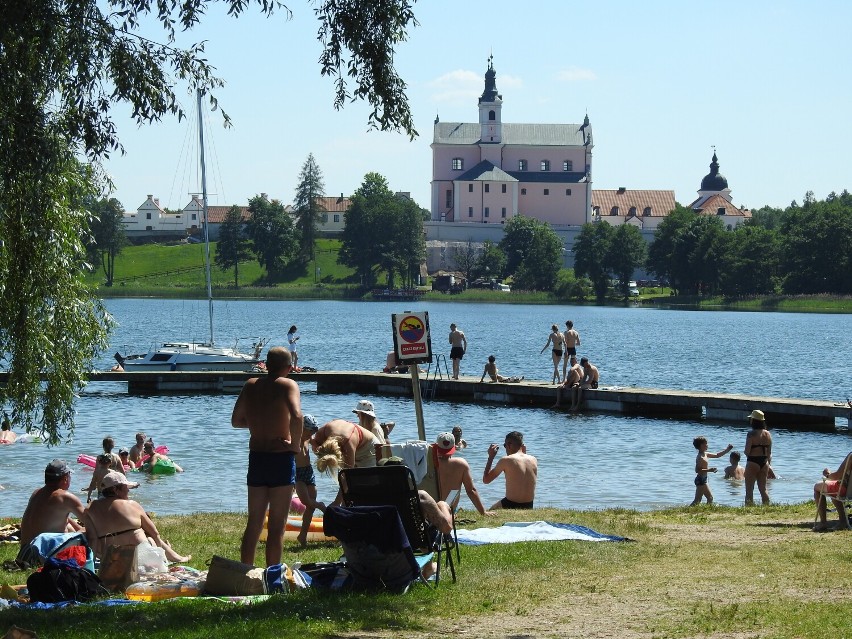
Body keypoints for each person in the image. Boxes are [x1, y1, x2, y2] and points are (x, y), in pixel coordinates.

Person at [231, 345, 303, 567]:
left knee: (254, 521)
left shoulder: (251, 385)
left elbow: (236, 421)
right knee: (277, 525)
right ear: (289, 367)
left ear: (265, 365)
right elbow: (297, 416)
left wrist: (259, 425)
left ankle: (246, 572)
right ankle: (272, 576)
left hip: (257, 457)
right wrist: (294, 446)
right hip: (280, 458)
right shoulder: (287, 384)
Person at [83, 471, 190, 562]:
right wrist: (161, 557)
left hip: (110, 559)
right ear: (116, 490)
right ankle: (176, 557)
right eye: (126, 487)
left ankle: (174, 556)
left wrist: (91, 564)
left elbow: (93, 539)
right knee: (149, 537)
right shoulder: (132, 505)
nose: (128, 490)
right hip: (140, 557)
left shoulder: (89, 509)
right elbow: (155, 533)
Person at [20, 460, 86, 546]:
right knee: (94, 532)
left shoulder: (36, 493)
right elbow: (93, 523)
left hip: (25, 554)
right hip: (44, 557)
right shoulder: (65, 497)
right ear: (65, 478)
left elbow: (65, 520)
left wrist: (79, 529)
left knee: (69, 526)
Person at [434, 432, 495, 516]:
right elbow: (471, 491)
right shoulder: (461, 464)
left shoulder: (428, 463)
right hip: (448, 509)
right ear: (454, 447)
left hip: (431, 508)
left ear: (436, 447)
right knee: (453, 492)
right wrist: (483, 512)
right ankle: (450, 514)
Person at [482, 431, 537, 509]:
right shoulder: (533, 459)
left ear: (509, 445)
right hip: (529, 505)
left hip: (511, 504)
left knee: (489, 511)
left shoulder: (506, 460)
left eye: (505, 445)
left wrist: (491, 457)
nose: (505, 448)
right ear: (522, 445)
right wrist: (524, 452)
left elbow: (486, 480)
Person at [294, 414, 326, 546]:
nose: (311, 433)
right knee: (306, 501)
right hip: (298, 474)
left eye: (313, 431)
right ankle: (322, 506)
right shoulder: (294, 439)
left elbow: (317, 447)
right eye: (310, 431)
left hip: (309, 472)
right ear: (301, 428)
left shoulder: (309, 438)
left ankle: (303, 535)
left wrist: (321, 450)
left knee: (310, 507)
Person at [812, 452, 851, 532]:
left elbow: (837, 476)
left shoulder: (851, 457)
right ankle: (842, 521)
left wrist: (827, 475)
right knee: (834, 487)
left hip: (846, 490)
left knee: (817, 487)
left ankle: (823, 522)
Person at [690, 437, 733, 505]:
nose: (707, 445)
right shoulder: (700, 457)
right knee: (701, 499)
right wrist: (709, 470)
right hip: (700, 480)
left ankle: (706, 511)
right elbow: (697, 470)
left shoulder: (705, 454)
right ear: (701, 445)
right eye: (706, 444)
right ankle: (689, 511)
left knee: (707, 498)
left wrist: (727, 449)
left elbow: (717, 455)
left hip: (703, 479)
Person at [744, 409, 772, 505]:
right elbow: (769, 453)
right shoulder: (768, 434)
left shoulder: (751, 434)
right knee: (763, 489)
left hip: (753, 461)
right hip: (764, 462)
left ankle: (748, 509)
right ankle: (767, 507)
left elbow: (747, 452)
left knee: (749, 490)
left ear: (753, 421)